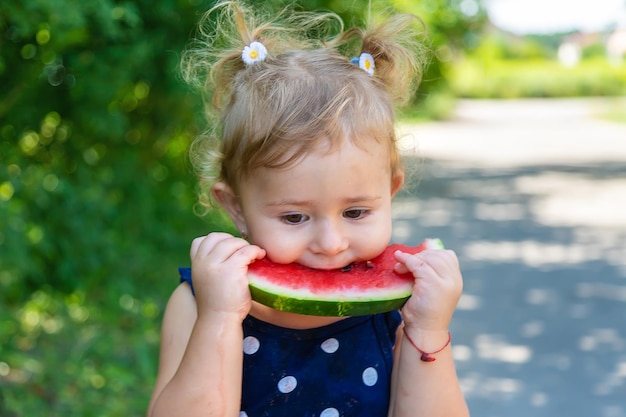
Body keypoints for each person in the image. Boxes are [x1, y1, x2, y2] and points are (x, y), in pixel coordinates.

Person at [147, 1, 469, 416]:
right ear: (236, 207)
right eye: (294, 217)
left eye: (355, 212)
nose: (331, 243)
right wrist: (221, 318)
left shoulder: (399, 310)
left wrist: (428, 329)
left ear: (390, 192)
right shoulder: (196, 303)